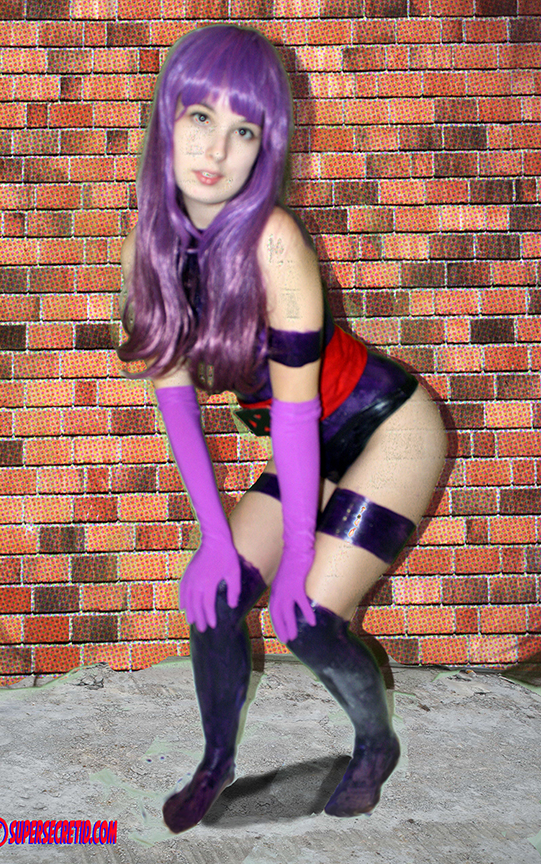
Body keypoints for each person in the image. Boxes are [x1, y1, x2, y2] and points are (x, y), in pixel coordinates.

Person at [117, 24, 446, 834]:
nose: (216, 150)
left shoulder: (273, 243)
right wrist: (213, 539)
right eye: (201, 118)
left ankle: (375, 744)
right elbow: (178, 411)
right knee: (212, 595)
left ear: (264, 147)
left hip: (386, 428)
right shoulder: (148, 251)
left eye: (244, 130)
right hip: (314, 447)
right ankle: (215, 762)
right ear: (168, 117)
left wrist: (298, 555)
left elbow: (297, 418)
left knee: (306, 616)